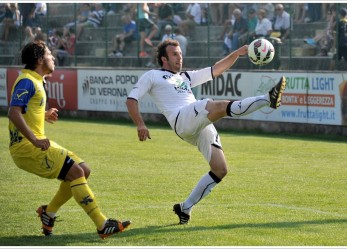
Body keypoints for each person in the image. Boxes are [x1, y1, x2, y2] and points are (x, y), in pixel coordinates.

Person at [125, 38, 286, 224]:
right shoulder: (152, 75)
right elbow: (131, 99)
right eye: (174, 55)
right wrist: (140, 124)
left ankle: (185, 208)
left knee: (220, 169)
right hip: (181, 119)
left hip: (196, 124)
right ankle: (267, 99)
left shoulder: (184, 77)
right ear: (164, 59)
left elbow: (215, 70)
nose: (179, 58)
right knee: (214, 105)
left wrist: (236, 54)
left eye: (180, 54)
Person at [7, 40, 131, 238]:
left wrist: (44, 114)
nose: (53, 58)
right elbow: (13, 113)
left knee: (84, 170)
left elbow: (24, 110)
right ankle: (102, 224)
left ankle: (49, 213)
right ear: (39, 60)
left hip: (33, 143)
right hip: (27, 147)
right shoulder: (27, 81)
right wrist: (34, 141)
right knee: (75, 171)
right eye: (49, 54)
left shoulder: (34, 80)